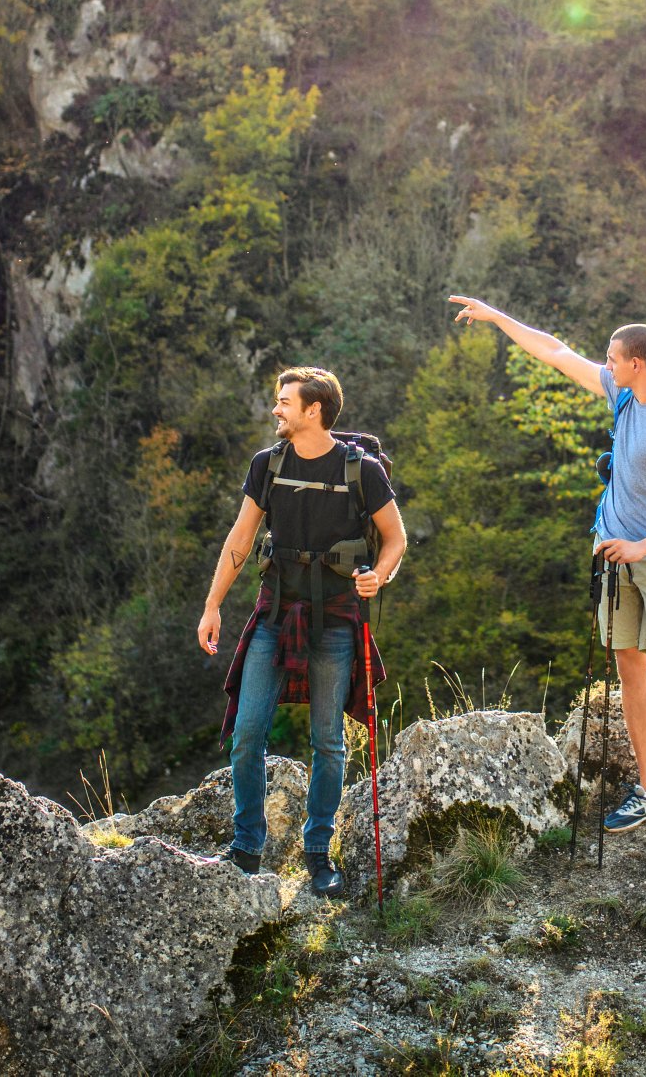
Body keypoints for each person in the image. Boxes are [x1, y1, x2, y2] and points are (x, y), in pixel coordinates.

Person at [446, 297, 646, 849]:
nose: (606, 366)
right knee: (627, 666)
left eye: (613, 359)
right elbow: (555, 352)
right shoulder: (620, 397)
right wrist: (498, 317)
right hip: (613, 554)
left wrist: (643, 547)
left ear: (636, 362)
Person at [197, 367, 406, 895]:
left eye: (284, 402)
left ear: (314, 410)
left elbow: (395, 539)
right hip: (274, 614)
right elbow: (239, 541)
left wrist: (377, 578)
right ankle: (246, 847)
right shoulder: (267, 466)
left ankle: (319, 854)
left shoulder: (362, 470)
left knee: (328, 743)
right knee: (247, 734)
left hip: (336, 619)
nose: (276, 410)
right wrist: (213, 605)